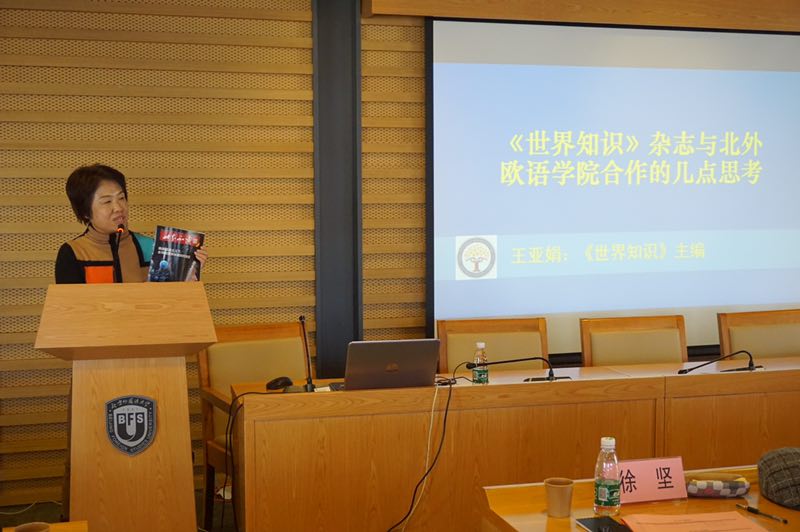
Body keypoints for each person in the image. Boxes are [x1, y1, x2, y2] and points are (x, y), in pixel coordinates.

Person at [55, 164, 207, 283]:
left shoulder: (153, 247)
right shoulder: (74, 252)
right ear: (85, 212)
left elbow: (171, 300)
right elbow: (71, 308)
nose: (118, 208)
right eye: (107, 201)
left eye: (121, 198)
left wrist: (188, 275)